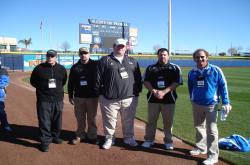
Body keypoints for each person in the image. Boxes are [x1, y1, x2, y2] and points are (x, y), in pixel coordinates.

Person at [94, 38, 142, 149]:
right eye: (118, 46)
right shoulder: (105, 60)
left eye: (123, 46)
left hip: (129, 98)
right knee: (109, 121)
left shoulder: (132, 61)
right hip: (109, 99)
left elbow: (138, 78)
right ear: (114, 46)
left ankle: (129, 138)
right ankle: (110, 139)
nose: (120, 48)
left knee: (128, 121)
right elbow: (97, 78)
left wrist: (136, 93)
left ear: (126, 48)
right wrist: (100, 94)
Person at [188, 49, 232, 165]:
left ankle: (213, 156)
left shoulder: (216, 70)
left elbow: (223, 86)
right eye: (197, 57)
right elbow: (190, 87)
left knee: (212, 130)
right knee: (198, 127)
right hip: (196, 104)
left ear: (207, 57)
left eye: (202, 57)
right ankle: (201, 148)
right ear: (194, 59)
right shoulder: (192, 72)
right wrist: (192, 98)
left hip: (211, 105)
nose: (200, 59)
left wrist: (226, 102)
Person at [141, 48, 183, 150]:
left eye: (164, 55)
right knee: (151, 121)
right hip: (153, 99)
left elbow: (176, 82)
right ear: (157, 56)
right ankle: (149, 140)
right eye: (160, 55)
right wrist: (154, 91)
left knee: (168, 122)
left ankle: (168, 141)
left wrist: (164, 92)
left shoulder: (175, 68)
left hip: (169, 100)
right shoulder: (150, 68)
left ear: (168, 56)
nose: (162, 56)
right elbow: (146, 81)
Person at [30, 49, 67, 152]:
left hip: (58, 99)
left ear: (56, 57)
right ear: (46, 57)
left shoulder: (61, 69)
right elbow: (33, 82)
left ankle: (55, 136)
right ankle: (45, 141)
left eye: (52, 56)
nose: (50, 58)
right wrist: (43, 90)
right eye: (48, 56)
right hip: (44, 99)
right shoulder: (39, 68)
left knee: (57, 120)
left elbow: (63, 81)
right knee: (44, 121)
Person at [68, 47, 99, 145]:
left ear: (89, 54)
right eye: (81, 53)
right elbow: (71, 83)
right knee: (80, 118)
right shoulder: (75, 67)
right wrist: (70, 95)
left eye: (85, 53)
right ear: (79, 54)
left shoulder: (96, 65)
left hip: (92, 97)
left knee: (92, 118)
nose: (83, 55)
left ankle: (92, 136)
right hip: (79, 97)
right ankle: (80, 135)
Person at [0, 65, 12, 133]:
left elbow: (4, 82)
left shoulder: (2, 71)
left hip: (0, 95)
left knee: (1, 111)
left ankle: (5, 125)